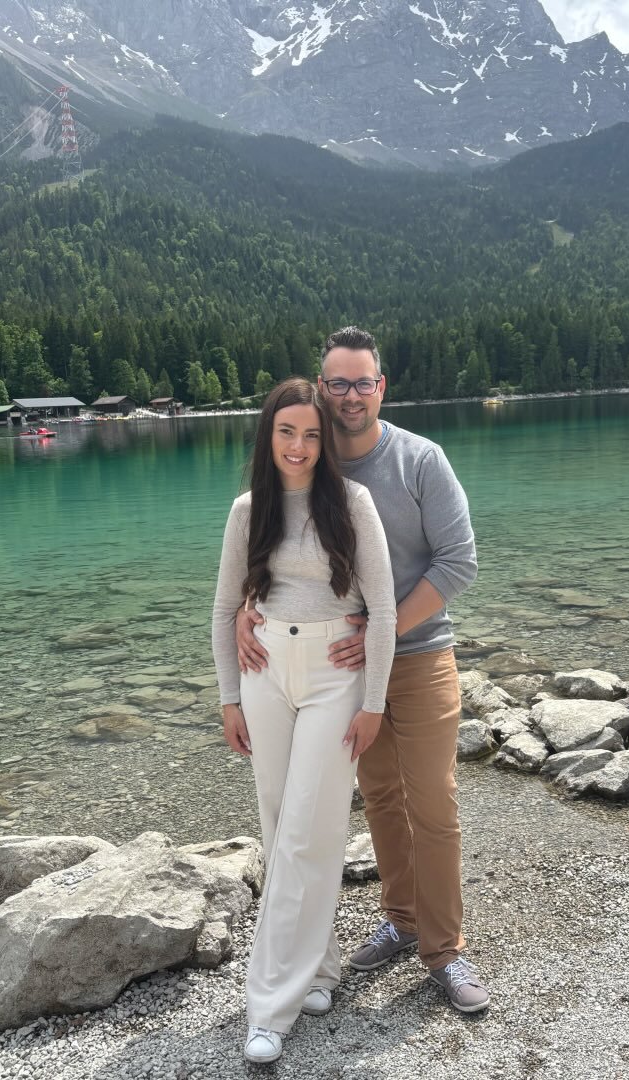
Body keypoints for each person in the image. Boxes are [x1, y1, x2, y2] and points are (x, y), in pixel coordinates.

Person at [237, 327, 489, 1013]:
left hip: (421, 654)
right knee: (378, 797)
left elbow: (459, 562)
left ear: (382, 387)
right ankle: (401, 921)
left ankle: (445, 950)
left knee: (431, 801)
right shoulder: (307, 462)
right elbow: (274, 552)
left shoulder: (419, 460)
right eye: (338, 383)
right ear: (322, 388)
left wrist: (384, 631)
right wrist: (245, 612)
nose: (350, 395)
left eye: (363, 382)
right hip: (340, 670)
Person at [211, 376, 397, 1065]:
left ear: (325, 442)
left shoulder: (352, 504)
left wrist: (373, 703)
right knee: (280, 826)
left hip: (333, 677)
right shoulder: (247, 510)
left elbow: (381, 610)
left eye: (312, 435)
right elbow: (223, 607)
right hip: (264, 671)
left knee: (305, 831)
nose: (298, 446)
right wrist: (229, 697)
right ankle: (318, 968)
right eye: (287, 432)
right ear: (269, 436)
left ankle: (268, 1006)